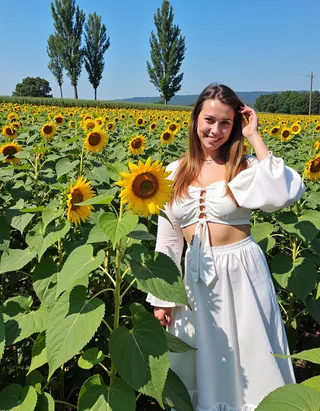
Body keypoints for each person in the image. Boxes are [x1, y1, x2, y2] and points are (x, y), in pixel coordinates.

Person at [146, 84, 306, 411]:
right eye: (209, 120)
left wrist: (254, 136)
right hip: (194, 278)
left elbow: (286, 191)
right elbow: (169, 240)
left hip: (242, 274)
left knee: (250, 351)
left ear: (235, 126)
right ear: (195, 120)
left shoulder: (245, 167)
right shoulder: (173, 173)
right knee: (198, 353)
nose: (215, 130)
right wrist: (162, 298)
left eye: (226, 123)